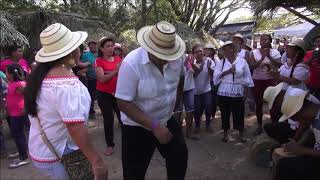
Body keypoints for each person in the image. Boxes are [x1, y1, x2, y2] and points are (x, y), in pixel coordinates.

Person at [24, 23, 107, 180]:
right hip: (59, 153)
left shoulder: (41, 77)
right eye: (77, 46)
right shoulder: (65, 84)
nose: (80, 50)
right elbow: (74, 126)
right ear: (71, 52)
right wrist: (96, 160)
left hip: (42, 149)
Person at [115, 21, 188, 180]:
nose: (165, 60)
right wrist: (154, 126)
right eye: (161, 55)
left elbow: (180, 79)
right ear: (149, 48)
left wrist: (177, 109)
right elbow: (123, 102)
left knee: (179, 157)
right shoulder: (131, 64)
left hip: (166, 119)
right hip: (136, 127)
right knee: (134, 173)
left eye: (168, 55)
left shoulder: (177, 59)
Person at [274, 87, 320, 180]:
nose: (297, 121)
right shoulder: (314, 115)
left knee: (284, 166)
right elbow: (310, 132)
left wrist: (301, 150)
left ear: (299, 113)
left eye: (295, 118)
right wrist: (298, 143)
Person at [213, 41, 254, 143]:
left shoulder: (242, 62)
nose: (229, 51)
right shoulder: (221, 63)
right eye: (226, 49)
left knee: (239, 113)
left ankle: (241, 134)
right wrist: (228, 71)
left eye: (231, 48)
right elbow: (215, 78)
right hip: (224, 91)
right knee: (225, 113)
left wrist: (246, 90)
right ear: (224, 52)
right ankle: (225, 134)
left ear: (234, 50)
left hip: (238, 90)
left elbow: (247, 77)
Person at [249, 34, 282, 135]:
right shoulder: (253, 52)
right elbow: (252, 67)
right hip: (257, 80)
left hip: (271, 80)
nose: (263, 41)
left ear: (270, 41)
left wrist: (269, 57)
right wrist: (262, 58)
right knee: (259, 103)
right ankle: (259, 125)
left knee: (273, 103)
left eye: (266, 39)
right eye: (261, 39)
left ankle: (274, 125)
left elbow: (279, 65)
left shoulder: (275, 52)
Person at [95, 37, 122, 156]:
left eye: (112, 46)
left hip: (118, 94)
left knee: (123, 117)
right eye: (108, 46)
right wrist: (116, 71)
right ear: (102, 48)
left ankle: (131, 141)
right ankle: (110, 145)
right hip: (104, 94)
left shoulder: (118, 58)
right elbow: (102, 79)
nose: (111, 48)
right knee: (109, 119)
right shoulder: (98, 61)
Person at [5, 64, 29, 168]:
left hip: (19, 113)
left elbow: (28, 94)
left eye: (6, 72)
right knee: (16, 133)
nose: (5, 74)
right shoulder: (12, 83)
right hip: (14, 112)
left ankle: (24, 157)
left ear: (11, 74)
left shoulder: (19, 84)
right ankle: (21, 152)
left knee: (18, 133)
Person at [173, 53, 197, 139]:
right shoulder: (172, 59)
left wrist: (191, 63)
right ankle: (177, 134)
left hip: (189, 88)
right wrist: (184, 64)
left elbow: (195, 72)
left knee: (190, 111)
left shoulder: (189, 57)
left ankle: (189, 133)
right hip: (177, 88)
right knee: (177, 111)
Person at [192, 44, 215, 133]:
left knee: (208, 107)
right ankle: (197, 125)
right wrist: (200, 67)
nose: (199, 53)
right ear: (193, 54)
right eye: (196, 52)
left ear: (203, 52)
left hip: (206, 89)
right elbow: (193, 75)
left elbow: (213, 74)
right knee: (197, 110)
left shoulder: (209, 61)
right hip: (195, 91)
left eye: (200, 51)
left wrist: (209, 69)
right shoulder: (192, 62)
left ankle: (208, 125)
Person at [81, 40, 98, 119]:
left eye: (93, 45)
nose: (92, 47)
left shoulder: (100, 54)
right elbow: (83, 66)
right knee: (91, 95)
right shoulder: (86, 55)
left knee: (101, 95)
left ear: (96, 46)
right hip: (91, 78)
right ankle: (91, 112)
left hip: (101, 78)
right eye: (90, 46)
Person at [204, 43, 219, 123]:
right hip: (205, 82)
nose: (206, 51)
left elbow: (216, 73)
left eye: (208, 49)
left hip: (213, 82)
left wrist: (209, 68)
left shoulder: (216, 60)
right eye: (205, 49)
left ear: (212, 51)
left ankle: (212, 115)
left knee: (213, 100)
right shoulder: (201, 59)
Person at [304, 35, 320, 100]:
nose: (319, 43)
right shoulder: (308, 53)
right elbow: (303, 64)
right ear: (314, 43)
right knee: (308, 102)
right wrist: (312, 57)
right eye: (318, 41)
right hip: (309, 83)